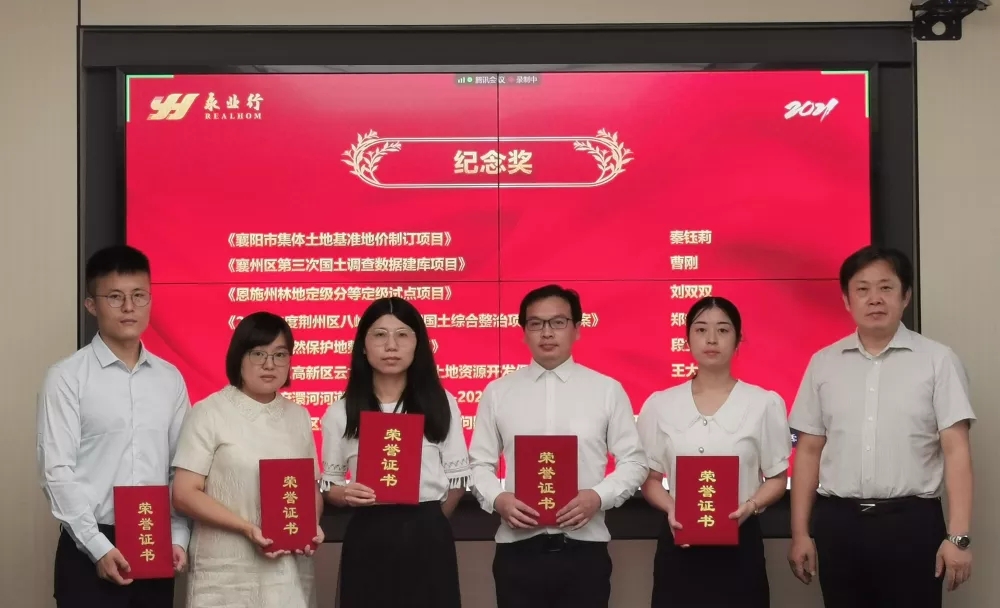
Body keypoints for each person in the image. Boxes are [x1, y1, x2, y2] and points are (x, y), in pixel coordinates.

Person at [787, 246, 975, 608]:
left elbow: (957, 451)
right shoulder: (823, 363)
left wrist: (959, 537)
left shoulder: (938, 361)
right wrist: (800, 534)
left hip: (912, 525)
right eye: (863, 289)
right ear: (847, 300)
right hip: (839, 524)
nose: (875, 299)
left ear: (905, 296)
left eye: (886, 288)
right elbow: (808, 452)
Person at [468, 284, 648, 608]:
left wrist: (598, 497)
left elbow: (634, 462)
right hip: (517, 551)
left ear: (577, 329)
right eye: (536, 323)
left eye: (558, 322)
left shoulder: (606, 390)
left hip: (585, 551)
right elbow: (479, 464)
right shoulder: (498, 392)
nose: (547, 333)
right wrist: (498, 499)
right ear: (524, 332)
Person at [36, 245, 190, 608]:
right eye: (115, 297)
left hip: (153, 540)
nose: (129, 307)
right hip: (88, 544)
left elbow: (180, 467)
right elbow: (56, 472)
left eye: (139, 295)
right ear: (92, 305)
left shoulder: (170, 379)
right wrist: (98, 546)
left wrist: (178, 536)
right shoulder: (67, 377)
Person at [636, 296, 790, 608]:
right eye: (701, 329)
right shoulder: (660, 404)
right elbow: (650, 479)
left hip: (740, 543)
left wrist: (751, 506)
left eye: (722, 330)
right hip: (679, 541)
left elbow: (777, 478)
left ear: (738, 340)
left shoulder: (763, 403)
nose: (711, 339)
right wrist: (672, 508)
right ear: (687, 339)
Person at [321, 297, 469, 608]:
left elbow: (457, 480)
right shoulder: (341, 411)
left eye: (402, 334)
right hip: (369, 533)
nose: (391, 345)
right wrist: (345, 494)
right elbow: (328, 485)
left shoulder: (441, 403)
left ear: (418, 344)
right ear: (363, 346)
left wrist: (428, 521)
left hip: (428, 532)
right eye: (379, 335)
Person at [171, 311, 323, 608]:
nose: (270, 364)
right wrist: (246, 528)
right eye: (258, 353)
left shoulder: (299, 416)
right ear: (239, 357)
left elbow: (310, 488)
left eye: (280, 354)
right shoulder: (209, 412)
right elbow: (184, 494)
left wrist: (310, 526)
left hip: (288, 572)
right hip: (227, 571)